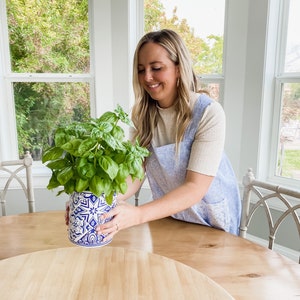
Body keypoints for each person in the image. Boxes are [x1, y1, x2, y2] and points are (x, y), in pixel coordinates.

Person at [94, 29, 241, 240]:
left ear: (179, 68)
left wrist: (137, 215)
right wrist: (97, 200)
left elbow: (195, 187)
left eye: (156, 68)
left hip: (212, 224)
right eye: (140, 69)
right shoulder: (142, 115)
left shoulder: (208, 113)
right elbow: (135, 174)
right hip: (171, 218)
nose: (147, 77)